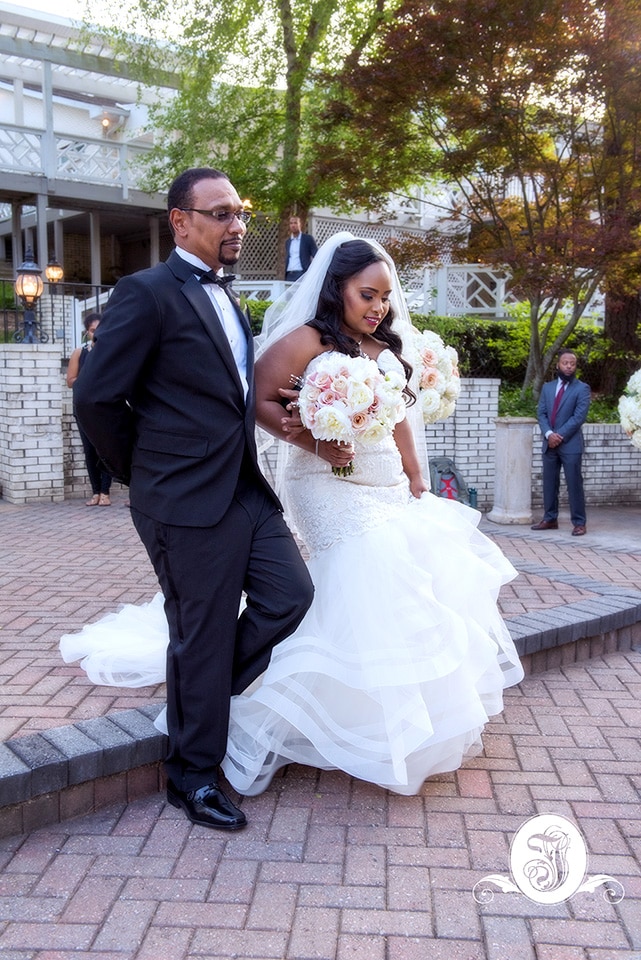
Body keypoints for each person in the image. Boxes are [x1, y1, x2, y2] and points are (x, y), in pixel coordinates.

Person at [62, 231, 524, 798]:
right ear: (337, 289)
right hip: (307, 487)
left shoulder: (375, 342)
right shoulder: (297, 335)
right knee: (362, 577)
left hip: (343, 482)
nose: (379, 307)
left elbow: (398, 412)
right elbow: (253, 399)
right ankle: (208, 739)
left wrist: (414, 475)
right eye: (366, 295)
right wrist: (143, 470)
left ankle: (234, 692)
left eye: (384, 297)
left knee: (307, 596)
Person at [70, 167, 314, 831]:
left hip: (242, 485)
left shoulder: (228, 296)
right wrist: (142, 474)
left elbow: (223, 391)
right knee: (200, 635)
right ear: (181, 220)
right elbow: (95, 397)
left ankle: (196, 692)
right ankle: (192, 777)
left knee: (289, 596)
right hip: (179, 499)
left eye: (240, 213)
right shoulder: (145, 292)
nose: (237, 225)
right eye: (220, 214)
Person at [531, 349, 591, 536]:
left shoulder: (582, 389)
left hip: (570, 444)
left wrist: (559, 435)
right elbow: (541, 413)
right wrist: (549, 434)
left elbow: (578, 417)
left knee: (574, 484)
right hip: (549, 443)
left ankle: (579, 523)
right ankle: (550, 519)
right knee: (549, 483)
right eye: (565, 363)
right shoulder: (548, 388)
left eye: (572, 363)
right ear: (558, 364)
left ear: (575, 366)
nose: (569, 366)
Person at [66, 312, 112, 506]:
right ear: (87, 332)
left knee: (107, 449)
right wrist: (90, 379)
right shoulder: (80, 352)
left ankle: (105, 492)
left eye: (100, 329)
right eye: (93, 330)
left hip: (105, 408)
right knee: (89, 450)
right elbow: (70, 381)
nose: (97, 333)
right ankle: (95, 492)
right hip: (84, 408)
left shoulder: (110, 351)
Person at [284, 215, 318, 281]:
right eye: (291, 223)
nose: (293, 225)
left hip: (302, 273)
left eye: (295, 223)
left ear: (300, 224)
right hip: (289, 274)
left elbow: (316, 255)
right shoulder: (288, 242)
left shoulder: (307, 239)